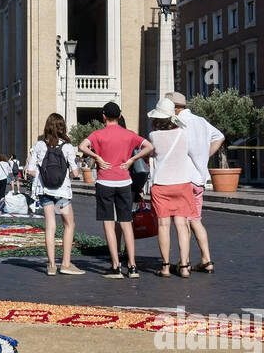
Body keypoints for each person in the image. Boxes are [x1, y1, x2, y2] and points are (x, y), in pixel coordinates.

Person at [79, 102, 153, 278]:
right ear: (120, 116)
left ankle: (115, 266)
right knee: (126, 222)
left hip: (105, 182)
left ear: (103, 116)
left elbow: (82, 146)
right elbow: (149, 146)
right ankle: (133, 266)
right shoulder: (129, 134)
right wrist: (132, 160)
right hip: (124, 181)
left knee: (108, 223)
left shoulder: (98, 134)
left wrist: (96, 156)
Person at [165, 91, 224, 274]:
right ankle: (207, 259)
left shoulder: (178, 123)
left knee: (182, 222)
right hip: (199, 179)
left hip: (184, 178)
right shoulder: (201, 121)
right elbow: (220, 137)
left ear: (174, 108)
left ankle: (185, 262)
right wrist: (204, 156)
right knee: (196, 220)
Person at [26, 113, 84, 276]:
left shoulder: (38, 145)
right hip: (62, 193)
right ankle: (65, 263)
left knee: (50, 226)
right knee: (69, 224)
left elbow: (30, 171)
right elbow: (74, 172)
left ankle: (51, 265)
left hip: (44, 192)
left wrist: (42, 174)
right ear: (62, 127)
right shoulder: (66, 147)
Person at [146, 98, 196, 279]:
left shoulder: (153, 136)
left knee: (163, 225)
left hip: (161, 184)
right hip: (182, 183)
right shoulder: (184, 134)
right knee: (182, 225)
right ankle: (184, 266)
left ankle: (165, 267)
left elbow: (151, 154)